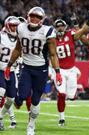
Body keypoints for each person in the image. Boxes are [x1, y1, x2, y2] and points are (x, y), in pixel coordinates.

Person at [4, 7, 62, 135]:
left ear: (42, 19)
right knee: (21, 97)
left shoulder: (48, 31)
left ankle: (31, 125)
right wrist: (9, 65)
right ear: (28, 16)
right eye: (32, 16)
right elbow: (18, 49)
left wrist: (57, 72)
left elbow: (53, 54)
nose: (34, 19)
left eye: (38, 17)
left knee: (35, 100)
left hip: (41, 69)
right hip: (26, 67)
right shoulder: (21, 28)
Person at [53, 11, 89, 126]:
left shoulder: (70, 35)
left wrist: (88, 21)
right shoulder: (51, 39)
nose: (60, 28)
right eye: (58, 26)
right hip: (59, 69)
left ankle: (71, 96)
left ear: (65, 27)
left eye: (61, 26)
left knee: (71, 96)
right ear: (55, 28)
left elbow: (82, 31)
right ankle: (61, 118)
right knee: (61, 94)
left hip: (71, 70)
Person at [0, 16, 21, 131]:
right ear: (7, 25)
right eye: (12, 25)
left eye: (16, 26)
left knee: (11, 99)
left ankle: (0, 117)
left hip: (11, 70)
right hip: (0, 68)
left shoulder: (20, 38)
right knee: (1, 91)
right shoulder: (1, 36)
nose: (14, 28)